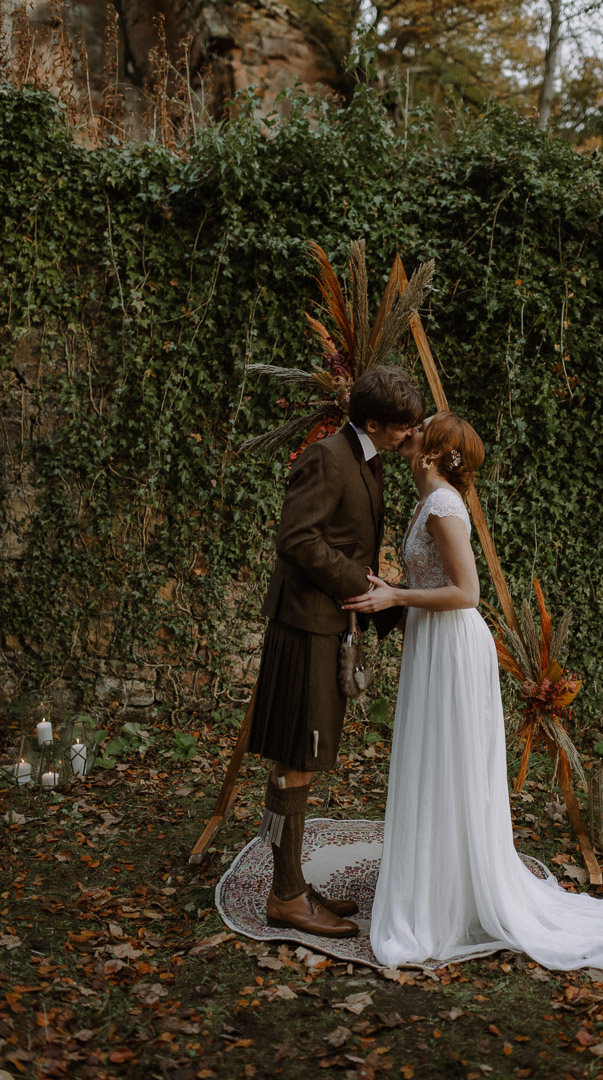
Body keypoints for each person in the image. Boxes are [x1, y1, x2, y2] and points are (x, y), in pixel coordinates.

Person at [344, 412, 603, 970]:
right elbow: (435, 580)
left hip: (452, 646)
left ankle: (451, 897)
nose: (409, 430)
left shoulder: (443, 505)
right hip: (434, 642)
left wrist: (397, 598)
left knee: (448, 761)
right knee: (436, 761)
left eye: (420, 427)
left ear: (433, 451)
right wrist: (396, 591)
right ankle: (438, 884)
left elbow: (467, 593)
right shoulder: (429, 499)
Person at [247, 365, 424, 939]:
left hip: (328, 624)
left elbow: (344, 541)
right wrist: (366, 588)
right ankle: (286, 898)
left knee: (305, 754)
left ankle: (291, 885)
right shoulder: (327, 457)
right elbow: (296, 539)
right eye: (402, 426)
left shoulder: (366, 457)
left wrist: (388, 599)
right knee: (298, 757)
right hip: (306, 627)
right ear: (373, 422)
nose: (410, 434)